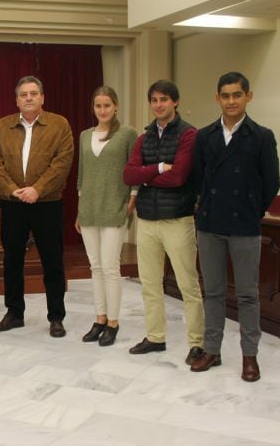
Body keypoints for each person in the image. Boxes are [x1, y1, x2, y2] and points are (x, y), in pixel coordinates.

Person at [189, 72, 280, 382]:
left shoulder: (261, 136)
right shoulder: (205, 136)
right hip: (210, 223)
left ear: (248, 97)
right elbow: (197, 179)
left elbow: (272, 182)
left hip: (245, 226)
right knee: (212, 292)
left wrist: (253, 210)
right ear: (218, 99)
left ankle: (249, 356)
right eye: (225, 96)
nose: (231, 101)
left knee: (247, 295)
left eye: (237, 95)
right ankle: (211, 350)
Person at [123, 80, 205, 364]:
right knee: (150, 284)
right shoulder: (143, 138)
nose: (159, 105)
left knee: (187, 285)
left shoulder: (188, 135)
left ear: (175, 102)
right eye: (154, 100)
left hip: (177, 219)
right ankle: (155, 337)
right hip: (146, 219)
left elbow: (180, 176)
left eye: (164, 100)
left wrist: (145, 175)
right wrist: (157, 168)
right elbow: (128, 175)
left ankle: (196, 343)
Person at [0, 75, 74, 338]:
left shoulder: (59, 125)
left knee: (53, 262)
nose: (28, 98)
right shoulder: (2, 127)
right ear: (16, 100)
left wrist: (38, 189)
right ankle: (14, 313)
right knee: (12, 260)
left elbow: (62, 162)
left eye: (33, 93)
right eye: (23, 94)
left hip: (47, 203)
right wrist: (13, 189)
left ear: (42, 98)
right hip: (12, 204)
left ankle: (56, 317)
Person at [75, 86, 138, 347]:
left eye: (107, 106)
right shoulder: (84, 135)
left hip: (115, 208)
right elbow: (81, 176)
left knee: (111, 268)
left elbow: (134, 172)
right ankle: (99, 318)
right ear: (94, 108)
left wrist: (131, 203)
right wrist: (80, 210)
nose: (103, 110)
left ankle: (113, 322)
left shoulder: (127, 134)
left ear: (116, 107)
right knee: (95, 267)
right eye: (98, 106)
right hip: (89, 209)